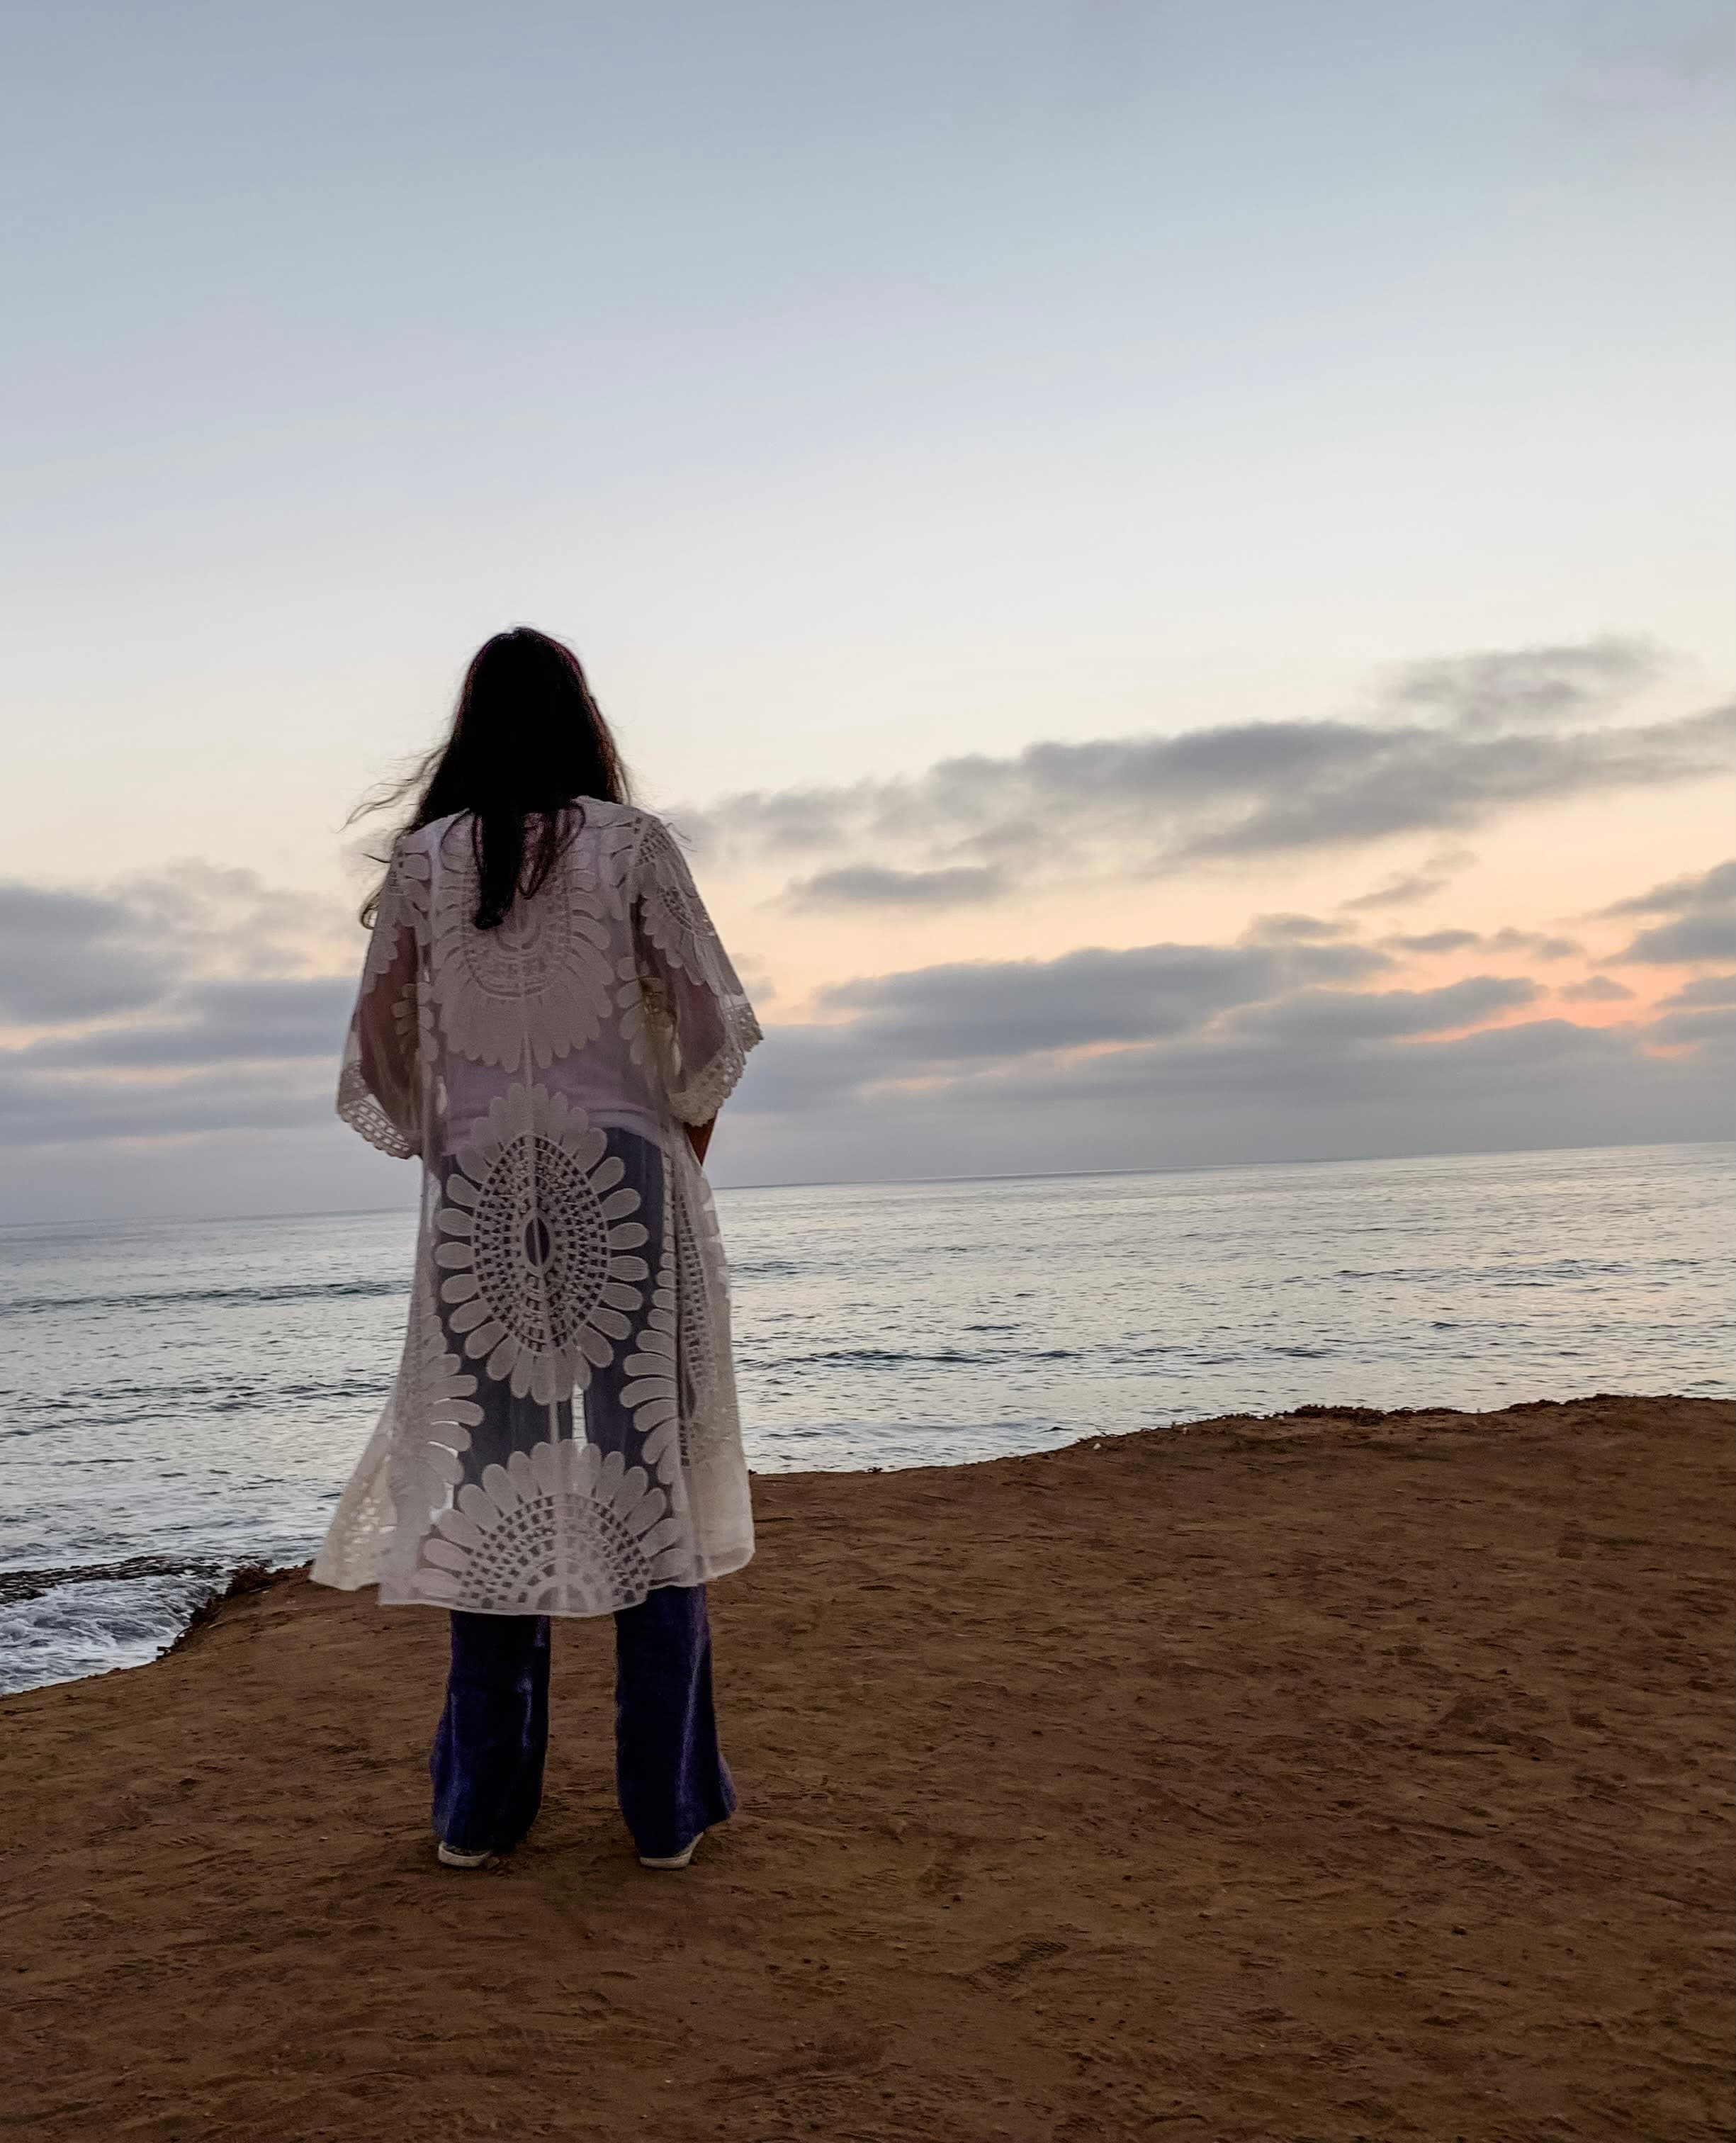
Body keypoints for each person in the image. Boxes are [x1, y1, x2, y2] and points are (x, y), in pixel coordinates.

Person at [311, 626, 761, 1873]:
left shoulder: (423, 862)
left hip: (481, 1198)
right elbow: (714, 1018)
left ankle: (479, 1817)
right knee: (648, 1478)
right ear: (583, 721)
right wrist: (669, 1144)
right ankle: (664, 1816)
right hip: (623, 1181)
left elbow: (378, 1049)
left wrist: (454, 1143)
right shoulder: (631, 844)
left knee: (487, 1482)